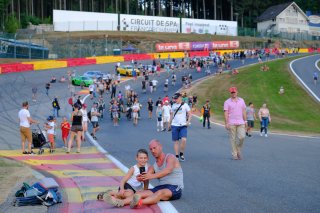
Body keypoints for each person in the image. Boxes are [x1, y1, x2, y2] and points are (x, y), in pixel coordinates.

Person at [102, 140, 183, 209]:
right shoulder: (154, 165)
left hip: (174, 187)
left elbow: (168, 170)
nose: (153, 151)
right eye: (151, 149)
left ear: (160, 147)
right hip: (161, 187)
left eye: (154, 148)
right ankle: (120, 202)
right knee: (139, 194)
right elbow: (147, 175)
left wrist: (151, 176)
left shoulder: (170, 157)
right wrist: (141, 178)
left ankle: (139, 202)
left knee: (160, 193)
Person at [224, 87, 247, 160]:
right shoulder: (227, 102)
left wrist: (245, 121)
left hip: (241, 122)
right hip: (232, 122)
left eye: (234, 92)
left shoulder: (242, 100)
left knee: (242, 137)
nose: (233, 93)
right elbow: (226, 113)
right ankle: (234, 154)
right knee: (233, 139)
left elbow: (243, 111)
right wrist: (227, 123)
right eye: (232, 92)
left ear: (237, 92)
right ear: (230, 93)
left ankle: (238, 149)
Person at [168, 92, 192, 162]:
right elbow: (171, 115)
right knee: (176, 141)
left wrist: (188, 122)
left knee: (184, 139)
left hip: (183, 125)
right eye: (174, 99)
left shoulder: (185, 105)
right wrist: (169, 123)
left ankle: (181, 153)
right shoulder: (173, 105)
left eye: (176, 99)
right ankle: (176, 155)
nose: (175, 100)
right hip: (174, 125)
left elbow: (190, 114)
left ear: (180, 98)